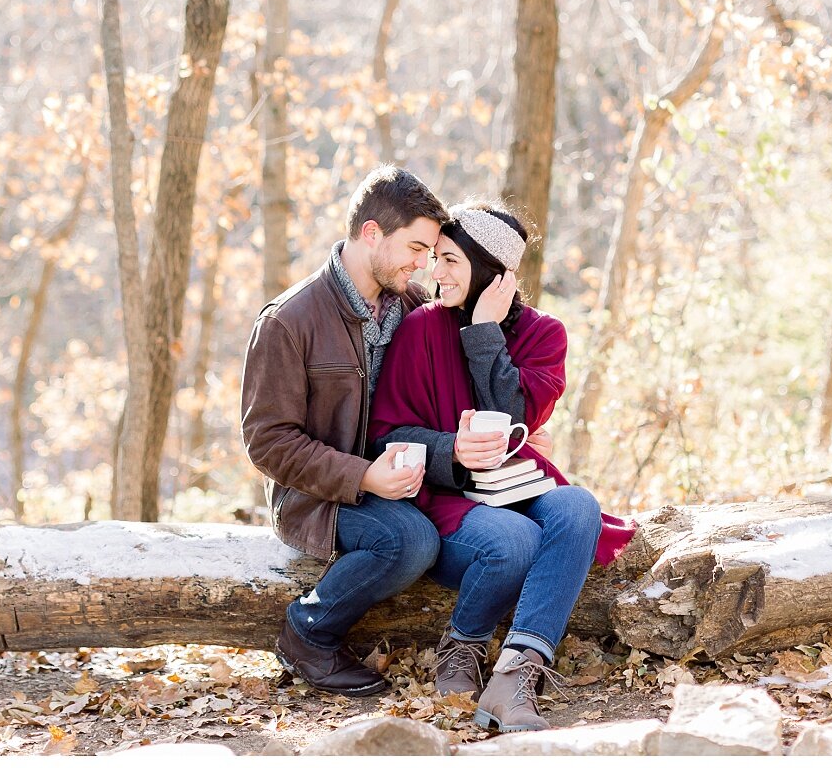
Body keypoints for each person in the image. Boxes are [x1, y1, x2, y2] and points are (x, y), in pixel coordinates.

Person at [368, 199, 636, 732]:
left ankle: (517, 675)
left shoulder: (544, 335)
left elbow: (515, 417)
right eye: (435, 258)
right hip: (443, 496)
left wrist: (483, 332)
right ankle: (460, 647)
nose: (434, 273)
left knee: (578, 506)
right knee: (514, 538)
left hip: (517, 483)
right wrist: (452, 451)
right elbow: (386, 434)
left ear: (493, 273)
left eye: (451, 261)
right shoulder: (421, 328)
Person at [240, 165, 451, 696]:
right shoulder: (288, 320)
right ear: (371, 233)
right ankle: (308, 633)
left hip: (400, 483)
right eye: (415, 247)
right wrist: (363, 478)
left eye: (429, 252)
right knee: (409, 541)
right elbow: (267, 442)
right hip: (314, 496)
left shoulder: (410, 306)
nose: (422, 262)